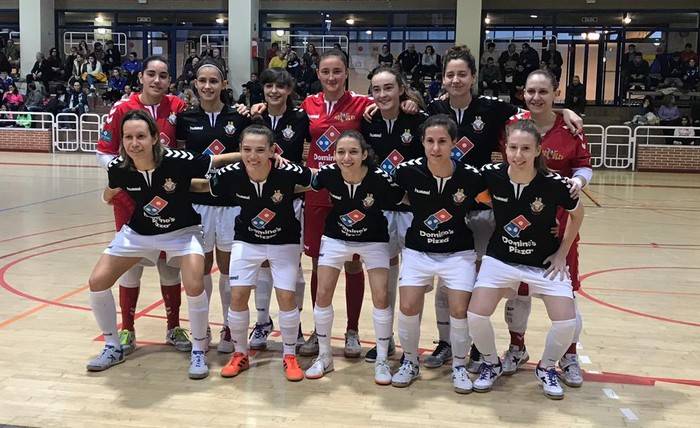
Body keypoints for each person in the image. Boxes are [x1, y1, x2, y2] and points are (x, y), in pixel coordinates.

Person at [426, 45, 582, 372]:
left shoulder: (493, 108)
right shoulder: (433, 108)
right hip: (447, 207)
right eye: (450, 74)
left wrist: (564, 110)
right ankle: (446, 343)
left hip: (486, 207)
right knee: (448, 281)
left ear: (473, 77)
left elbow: (535, 110)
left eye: (462, 74)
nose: (456, 80)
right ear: (443, 78)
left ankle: (485, 348)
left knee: (491, 282)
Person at [86, 109, 238, 379]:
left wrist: (250, 156)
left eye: (141, 136)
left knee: (194, 283)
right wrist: (107, 195)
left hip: (183, 231)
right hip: (139, 233)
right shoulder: (119, 167)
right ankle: (112, 346)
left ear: (154, 137)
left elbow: (215, 160)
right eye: (128, 137)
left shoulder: (177, 160)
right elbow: (111, 190)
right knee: (97, 281)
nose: (134, 143)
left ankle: (199, 350)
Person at [467, 116, 584, 400]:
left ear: (538, 150)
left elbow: (578, 214)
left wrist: (561, 253)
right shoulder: (491, 175)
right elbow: (474, 192)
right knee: (476, 315)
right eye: (513, 147)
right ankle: (491, 363)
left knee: (566, 322)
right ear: (505, 148)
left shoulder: (555, 183)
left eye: (526, 149)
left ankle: (546, 368)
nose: (518, 155)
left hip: (542, 263)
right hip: (501, 259)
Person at [499, 70, 592, 389]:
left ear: (555, 93)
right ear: (522, 93)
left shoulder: (570, 127)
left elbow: (584, 165)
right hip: (521, 222)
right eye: (530, 91)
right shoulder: (514, 123)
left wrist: (577, 182)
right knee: (518, 290)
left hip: (560, 225)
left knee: (566, 292)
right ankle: (517, 347)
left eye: (543, 92)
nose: (536, 97)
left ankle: (569, 355)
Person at [96, 55, 190, 356]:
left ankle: (173, 327)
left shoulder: (178, 107)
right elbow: (103, 152)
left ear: (170, 81)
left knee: (169, 266)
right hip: (131, 199)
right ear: (141, 77)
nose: (157, 80)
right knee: (131, 266)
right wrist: (129, 175)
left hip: (167, 198)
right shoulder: (121, 108)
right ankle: (127, 329)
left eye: (163, 75)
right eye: (151, 74)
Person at [210, 124, 313, 382]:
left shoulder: (288, 171)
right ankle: (240, 353)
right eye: (247, 150)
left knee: (287, 297)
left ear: (272, 151)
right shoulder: (230, 173)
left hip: (284, 240)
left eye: (259, 150)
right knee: (237, 295)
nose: (252, 156)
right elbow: (207, 184)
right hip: (247, 240)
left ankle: (289, 355)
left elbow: (314, 179)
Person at [391, 114, 486, 392]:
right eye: (430, 141)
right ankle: (410, 362)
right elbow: (390, 194)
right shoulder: (407, 171)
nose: (435, 148)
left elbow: (499, 204)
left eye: (442, 141)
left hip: (458, 252)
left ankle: (459, 366)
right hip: (418, 250)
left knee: (459, 309)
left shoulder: (471, 177)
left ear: (454, 143)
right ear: (422, 142)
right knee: (408, 306)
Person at [304, 130, 405, 384]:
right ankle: (325, 356)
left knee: (381, 296)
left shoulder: (380, 178)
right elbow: (302, 178)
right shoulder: (328, 174)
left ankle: (382, 359)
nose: (346, 157)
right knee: (323, 293)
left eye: (352, 152)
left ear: (364, 154)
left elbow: (404, 197)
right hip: (336, 238)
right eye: (341, 152)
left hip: (374, 239)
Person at [176, 59, 251, 354]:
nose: (208, 86)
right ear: (195, 84)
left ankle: (229, 327)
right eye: (202, 81)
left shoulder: (239, 117)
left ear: (224, 84)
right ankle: (203, 327)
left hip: (231, 203)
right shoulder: (185, 118)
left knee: (229, 268)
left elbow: (248, 154)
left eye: (214, 81)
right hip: (198, 204)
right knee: (202, 267)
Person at [360, 67, 427, 362]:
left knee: (412, 283)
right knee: (383, 280)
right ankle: (384, 340)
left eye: (388, 88)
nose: (383, 94)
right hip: (380, 211)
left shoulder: (419, 120)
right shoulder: (368, 122)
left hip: (413, 211)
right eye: (376, 89)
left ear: (401, 89)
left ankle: (410, 344)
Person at [247, 68, 310, 351]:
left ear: (289, 90)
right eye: (269, 86)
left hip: (291, 201)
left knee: (293, 266)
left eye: (280, 87)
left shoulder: (301, 118)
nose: (274, 91)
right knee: (262, 263)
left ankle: (295, 326)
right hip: (257, 200)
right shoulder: (253, 117)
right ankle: (262, 322)